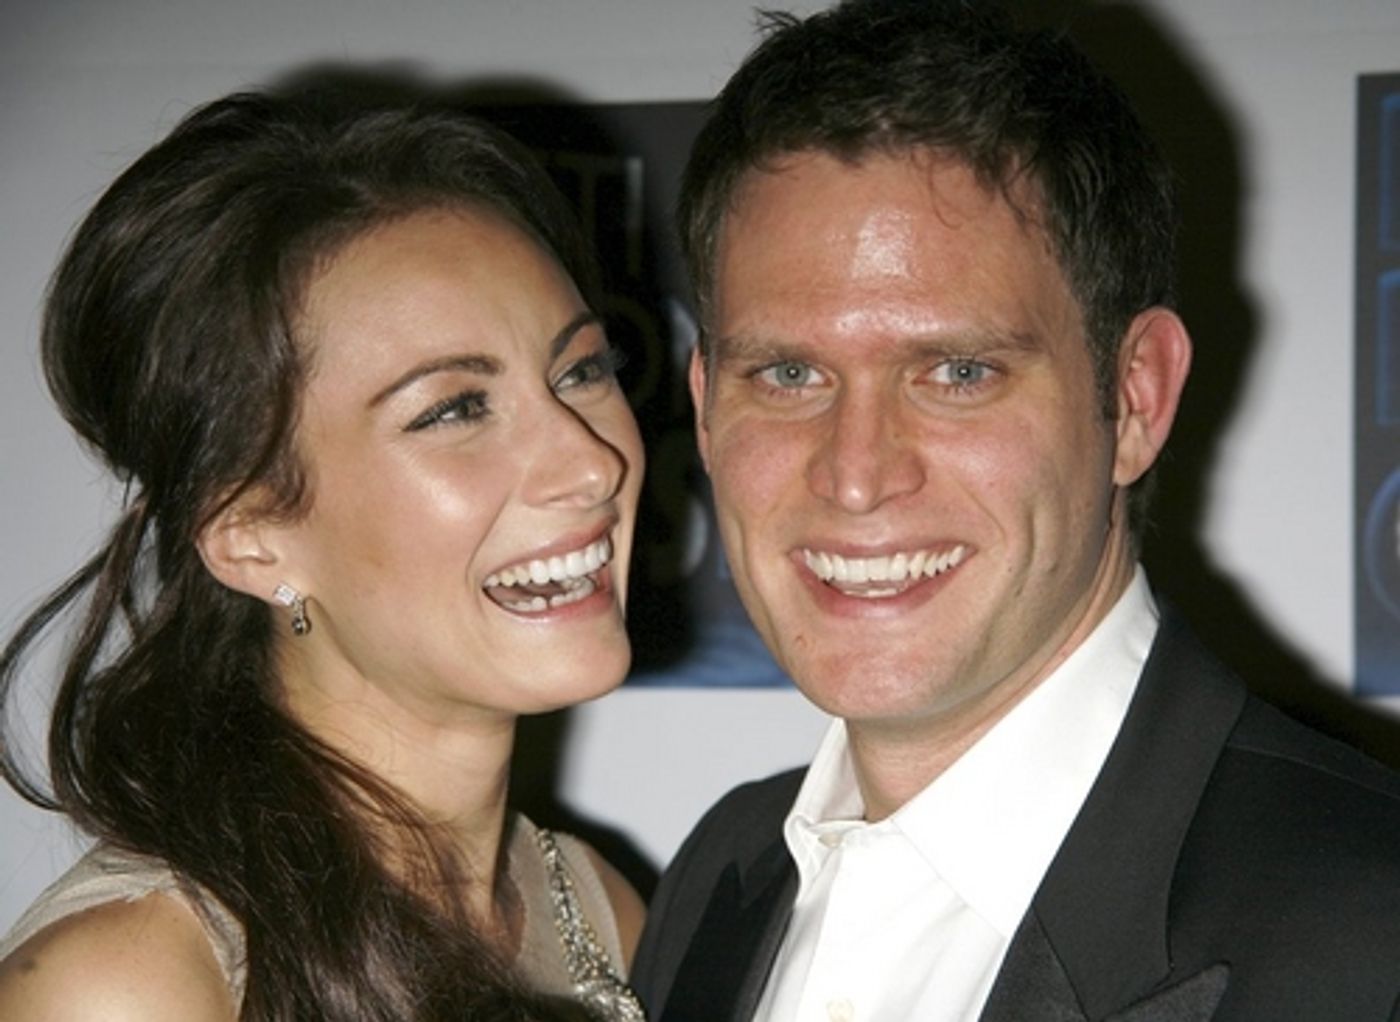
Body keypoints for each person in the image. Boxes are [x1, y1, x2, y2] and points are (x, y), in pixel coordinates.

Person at [630, 2, 1400, 1020]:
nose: (855, 475)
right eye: (787, 373)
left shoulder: (1370, 931)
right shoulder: (716, 878)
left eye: (957, 372)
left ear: (1134, 397)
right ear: (703, 405)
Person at [0, 89, 648, 1022]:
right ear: (250, 532)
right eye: (454, 409)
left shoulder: (595, 909)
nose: (590, 464)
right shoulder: (127, 987)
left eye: (582, 371)